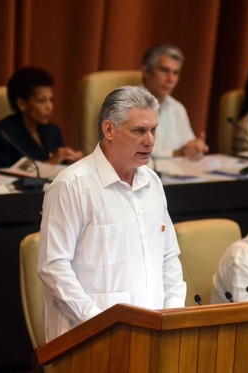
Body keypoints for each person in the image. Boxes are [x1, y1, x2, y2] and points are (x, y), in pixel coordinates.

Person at [37, 86, 186, 341]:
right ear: (109, 130)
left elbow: (169, 258)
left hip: (153, 336)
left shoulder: (152, 183)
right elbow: (54, 268)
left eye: (153, 130)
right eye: (139, 130)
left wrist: (172, 316)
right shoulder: (71, 185)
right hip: (89, 339)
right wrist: (100, 323)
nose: (150, 140)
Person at [0, 67, 82, 169]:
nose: (50, 106)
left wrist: (72, 161)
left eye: (51, 100)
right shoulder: (3, 135)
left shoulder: (53, 131)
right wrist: (51, 163)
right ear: (22, 104)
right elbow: (1, 177)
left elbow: (60, 167)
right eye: (42, 101)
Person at [141, 43, 209, 160]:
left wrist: (195, 147)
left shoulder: (177, 108)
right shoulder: (128, 106)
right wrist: (178, 153)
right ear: (146, 71)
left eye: (175, 73)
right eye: (164, 70)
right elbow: (137, 153)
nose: (171, 79)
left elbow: (187, 145)